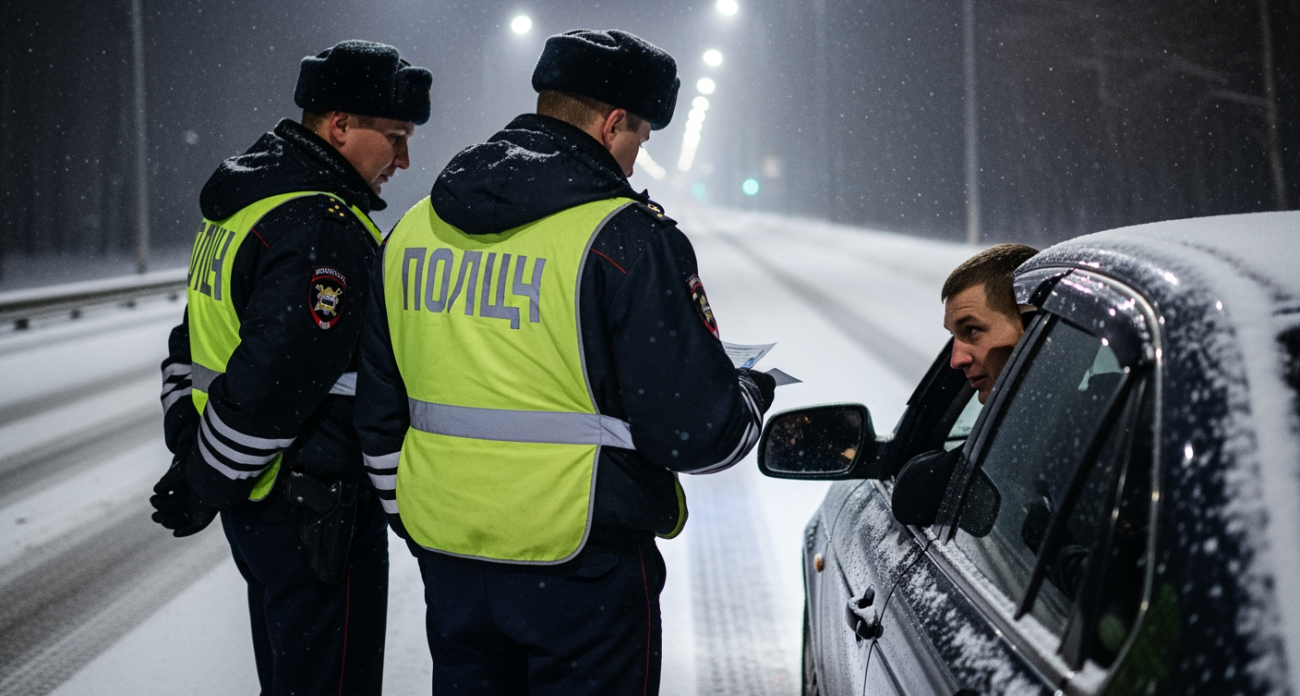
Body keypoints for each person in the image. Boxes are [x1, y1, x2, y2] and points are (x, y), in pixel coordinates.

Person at [355, 29, 774, 695]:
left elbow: (377, 408)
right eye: (639, 137)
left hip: (452, 561)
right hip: (584, 567)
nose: (636, 162)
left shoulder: (411, 230)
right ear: (613, 126)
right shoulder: (626, 238)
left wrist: (417, 522)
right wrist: (749, 391)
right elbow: (695, 432)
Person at [148, 40, 431, 695]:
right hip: (315, 506)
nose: (405, 159)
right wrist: (205, 481)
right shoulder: (321, 225)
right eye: (395, 137)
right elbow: (273, 382)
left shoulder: (247, 202)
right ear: (339, 126)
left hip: (262, 505)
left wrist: (195, 464)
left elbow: (188, 347)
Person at [892, 243, 1038, 527]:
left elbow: (913, 498)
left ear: (1032, 328)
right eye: (954, 336)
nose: (956, 360)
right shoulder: (1081, 413)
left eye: (972, 330)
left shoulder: (1039, 432)